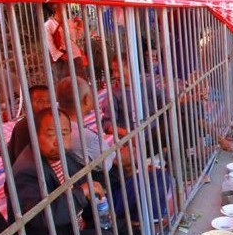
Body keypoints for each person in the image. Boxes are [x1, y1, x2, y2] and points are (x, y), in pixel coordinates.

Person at [56, 76, 168, 222]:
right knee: (160, 176)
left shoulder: (65, 128)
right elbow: (118, 162)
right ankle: (148, 223)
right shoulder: (83, 135)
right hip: (102, 197)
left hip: (91, 189)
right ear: (86, 100)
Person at [7, 84, 51, 164]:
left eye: (49, 101)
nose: (46, 105)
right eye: (40, 101)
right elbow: (21, 160)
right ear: (29, 104)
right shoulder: (25, 127)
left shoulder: (51, 119)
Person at [44, 3, 86, 80]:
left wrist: (80, 27)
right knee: (65, 85)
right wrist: (62, 56)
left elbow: (75, 39)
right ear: (54, 6)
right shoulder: (48, 25)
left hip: (76, 57)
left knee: (81, 82)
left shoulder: (69, 22)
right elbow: (50, 46)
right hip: (62, 60)